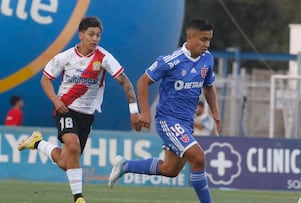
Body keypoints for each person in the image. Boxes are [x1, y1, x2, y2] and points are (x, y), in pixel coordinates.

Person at [17, 16, 140, 203]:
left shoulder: (104, 57)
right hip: (65, 109)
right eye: (91, 34)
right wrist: (55, 100)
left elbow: (125, 81)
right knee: (73, 146)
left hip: (87, 116)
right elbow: (45, 78)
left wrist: (134, 111)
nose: (95, 39)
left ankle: (37, 143)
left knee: (67, 162)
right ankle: (79, 198)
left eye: (98, 35)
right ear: (81, 35)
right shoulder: (65, 57)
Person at [108, 18, 222, 203]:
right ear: (189, 37)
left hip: (185, 122)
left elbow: (208, 86)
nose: (206, 44)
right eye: (202, 39)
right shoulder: (170, 61)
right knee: (198, 158)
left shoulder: (207, 59)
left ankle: (125, 166)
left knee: (170, 170)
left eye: (209, 40)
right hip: (168, 120)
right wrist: (144, 112)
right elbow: (142, 81)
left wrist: (215, 112)